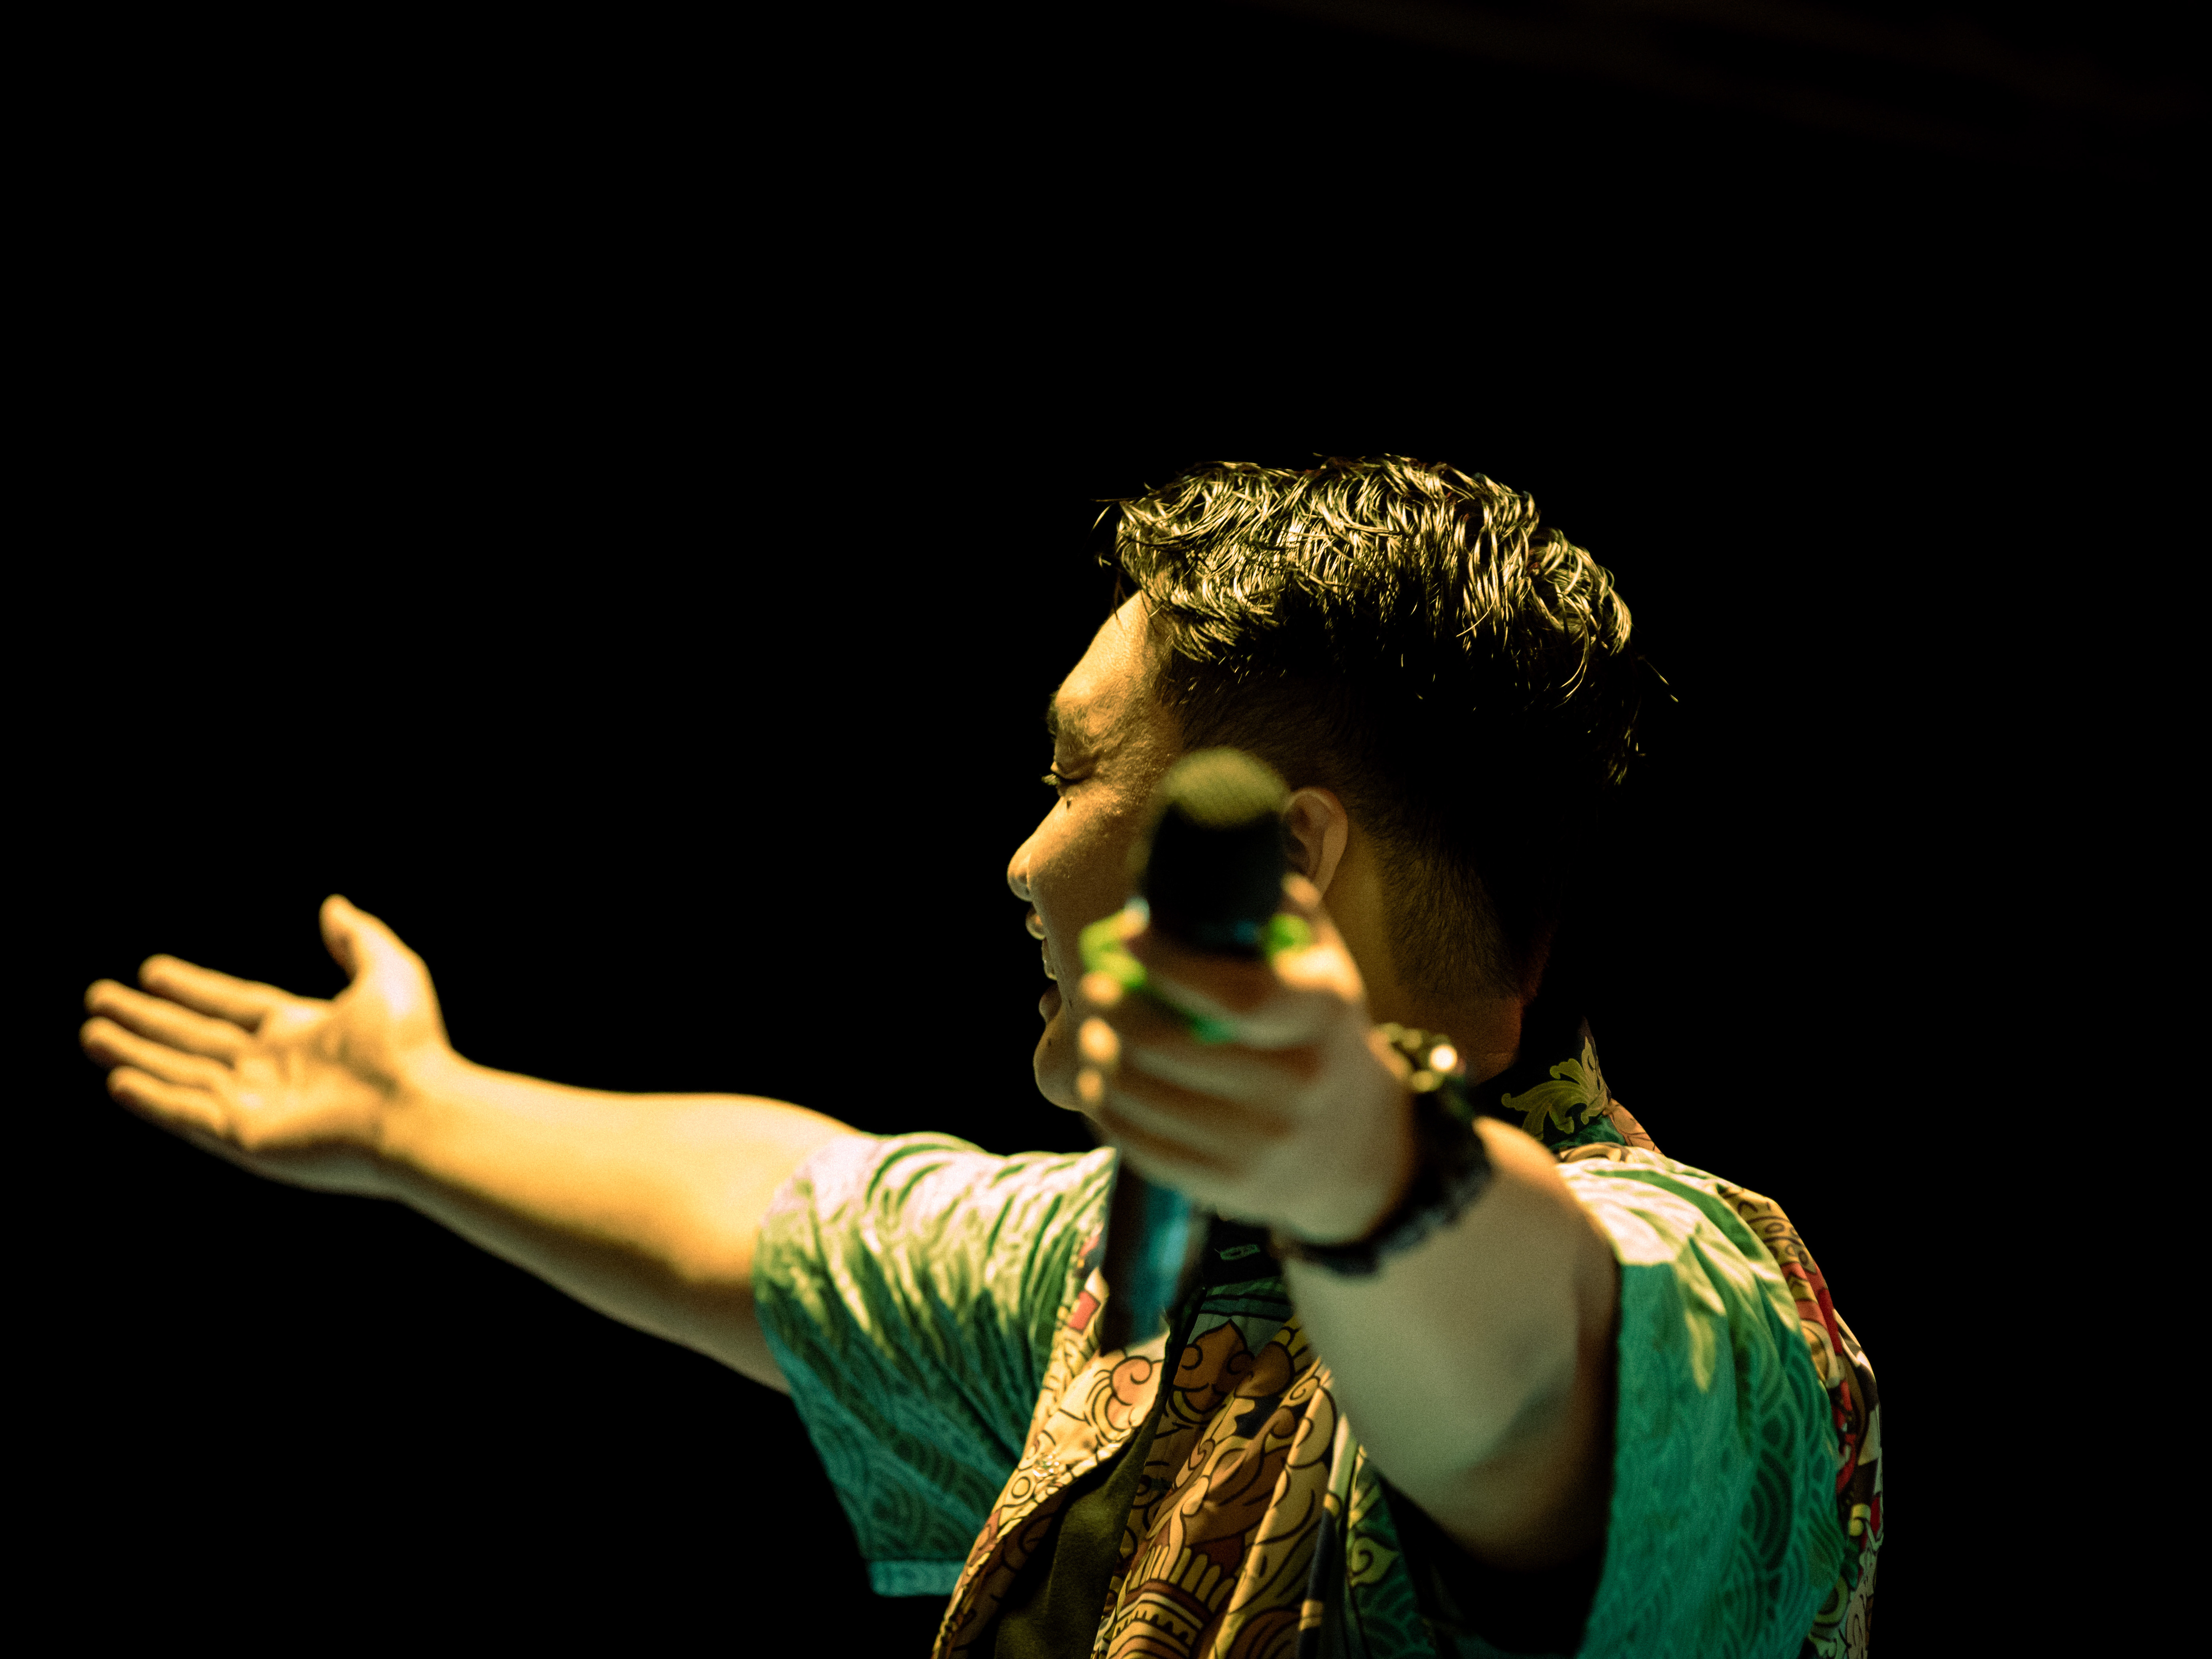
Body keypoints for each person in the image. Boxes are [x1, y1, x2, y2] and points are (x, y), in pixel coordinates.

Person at [79, 456, 1881, 1657]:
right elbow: (784, 1214)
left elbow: (1526, 1375)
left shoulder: (1713, 1295)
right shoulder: (1134, 1281)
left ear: (1279, 862)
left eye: (1072, 770)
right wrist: (414, 1107)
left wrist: (1356, 1151)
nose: (1022, 858)